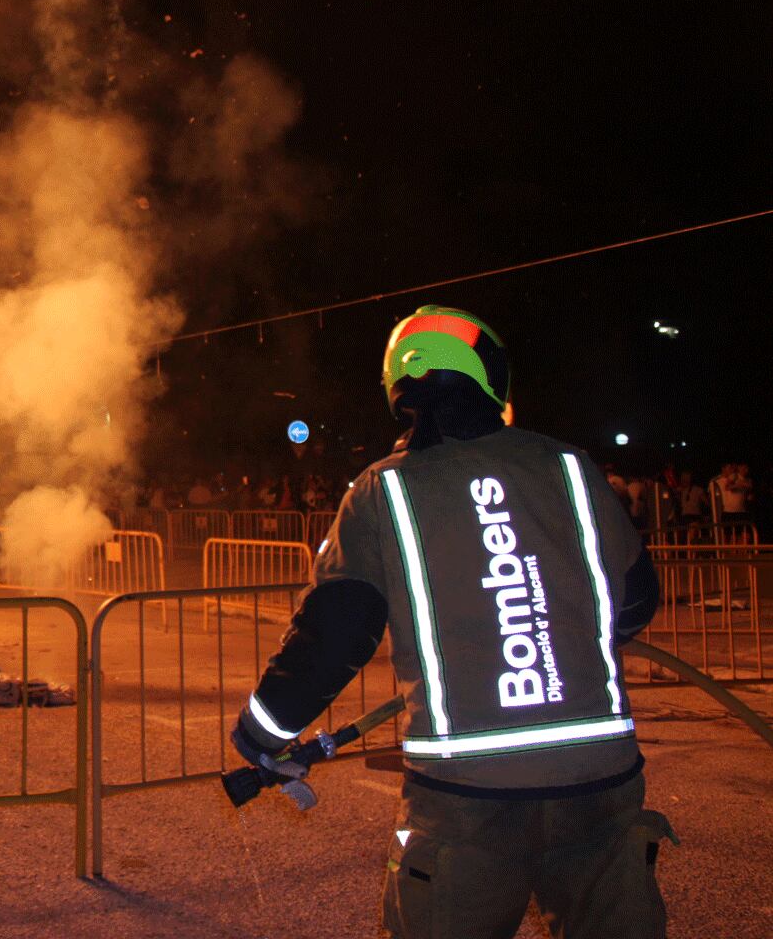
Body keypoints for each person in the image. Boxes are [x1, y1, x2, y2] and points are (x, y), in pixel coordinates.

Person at [229, 305, 668, 938]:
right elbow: (635, 602)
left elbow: (336, 632)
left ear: (398, 389)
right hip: (599, 784)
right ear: (492, 377)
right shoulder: (570, 468)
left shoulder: (383, 490)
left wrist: (263, 732)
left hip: (465, 799)